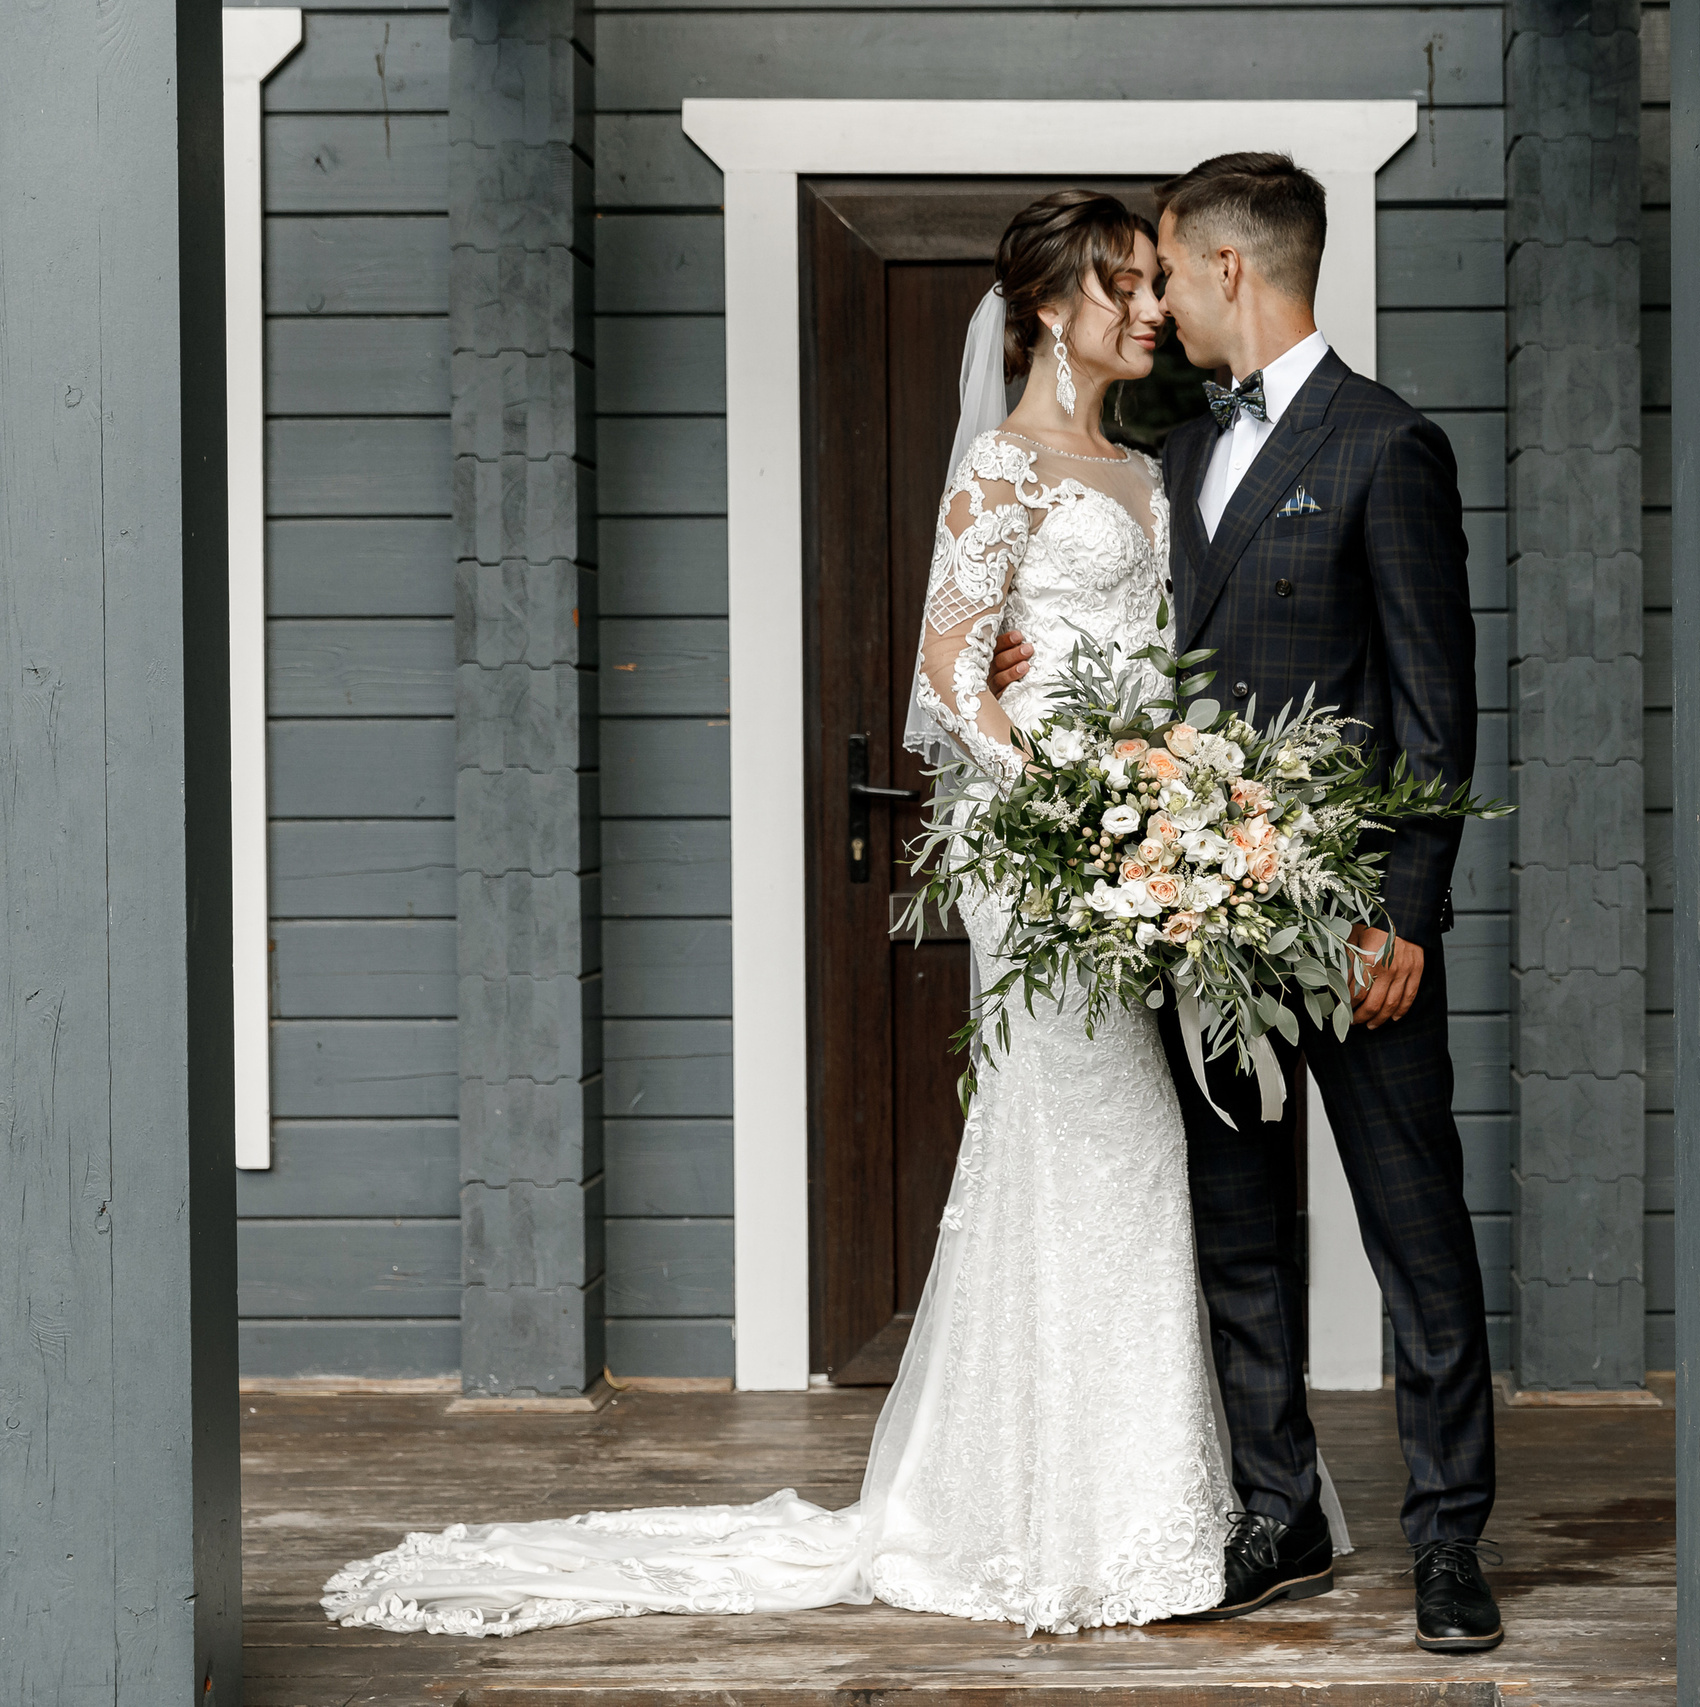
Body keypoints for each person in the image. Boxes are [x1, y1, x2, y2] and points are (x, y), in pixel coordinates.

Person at [319, 190, 1342, 1638]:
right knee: (1073, 1138)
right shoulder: (1003, 470)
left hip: (1141, 863)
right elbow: (948, 683)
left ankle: (1144, 1497)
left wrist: (1165, 808)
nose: (1147, 310)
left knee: (1136, 1153)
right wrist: (1066, 808)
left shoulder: (1147, 472)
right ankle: (1038, 1514)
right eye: (1119, 287)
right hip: (1046, 863)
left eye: (1149, 286)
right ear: (1049, 308)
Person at [986, 152, 1500, 1655]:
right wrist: (1046, 685)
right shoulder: (1177, 448)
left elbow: (1435, 710)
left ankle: (1449, 1543)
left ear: (1226, 271)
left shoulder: (1387, 443)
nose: (1152, 299)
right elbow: (1147, 654)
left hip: (1350, 932)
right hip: (1199, 916)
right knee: (1237, 1235)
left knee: (1417, 1237)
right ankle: (1277, 1511)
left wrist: (1404, 914)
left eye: (1163, 271)